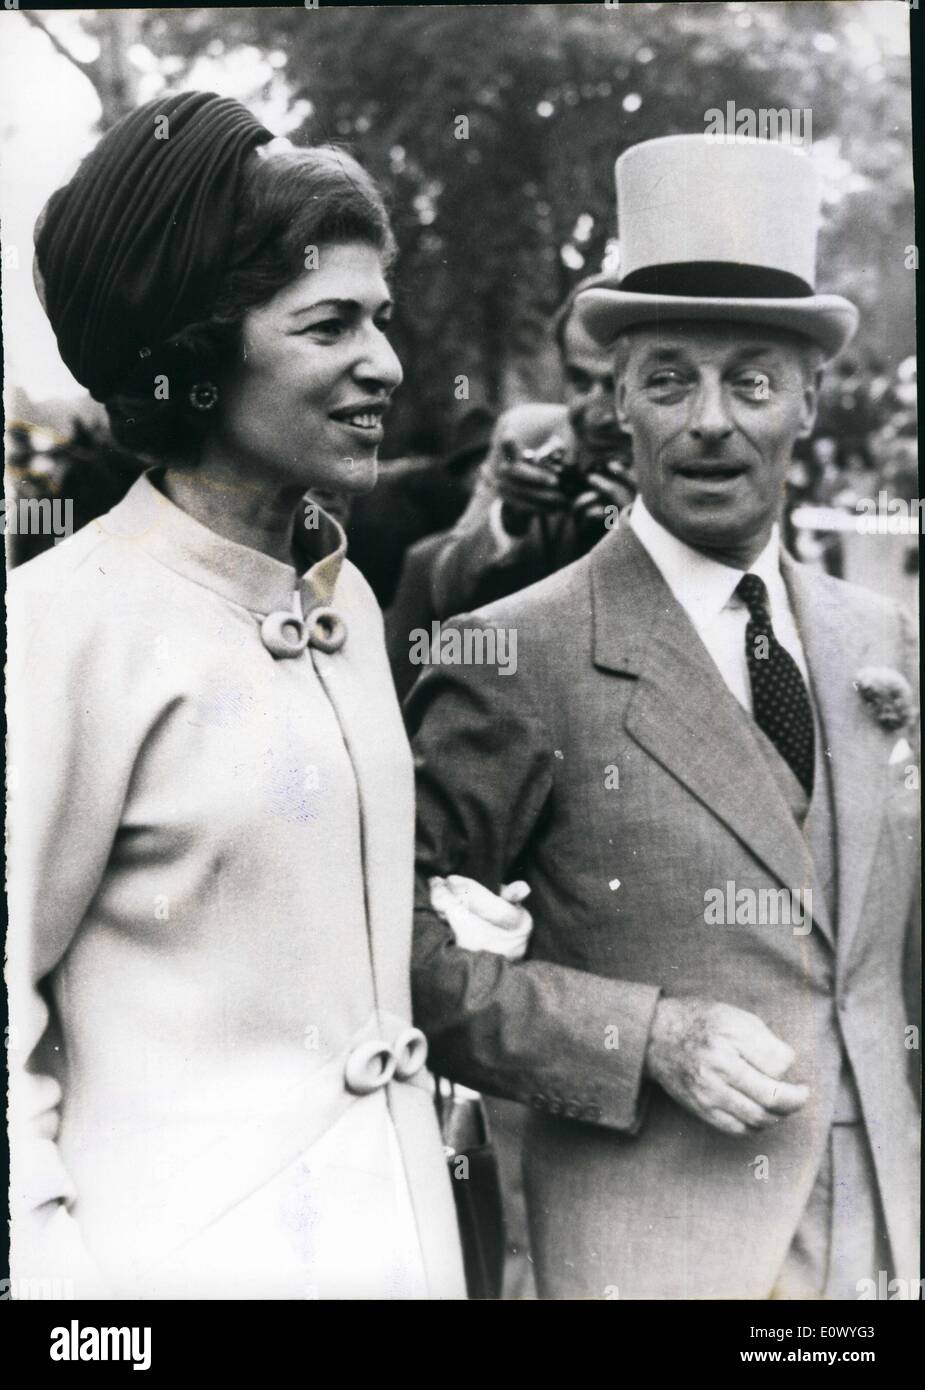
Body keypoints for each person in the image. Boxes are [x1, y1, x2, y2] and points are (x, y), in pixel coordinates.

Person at [6, 91, 523, 1301]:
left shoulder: (338, 607)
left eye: (382, 320)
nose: (385, 363)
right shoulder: (59, 628)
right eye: (330, 323)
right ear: (196, 352)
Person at [408, 135, 920, 1299]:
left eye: (749, 378)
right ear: (617, 403)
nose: (708, 421)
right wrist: (644, 1036)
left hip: (882, 1252)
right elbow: (393, 953)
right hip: (658, 1262)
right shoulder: (519, 650)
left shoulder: (875, 639)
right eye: (669, 378)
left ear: (806, 400)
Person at [427, 274, 636, 620]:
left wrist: (637, 546)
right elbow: (443, 594)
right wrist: (508, 520)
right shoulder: (524, 437)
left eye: (616, 386)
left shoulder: (682, 459)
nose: (596, 413)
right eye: (579, 381)